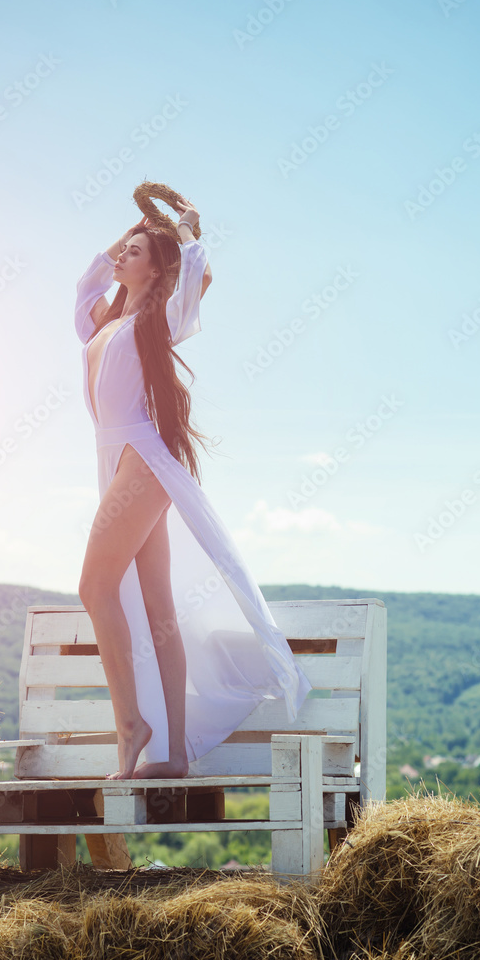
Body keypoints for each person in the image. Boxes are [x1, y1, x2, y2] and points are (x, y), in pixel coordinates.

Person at [75, 194, 312, 780]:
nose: (122, 256)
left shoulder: (155, 323)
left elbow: (197, 278)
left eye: (135, 252)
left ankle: (132, 726)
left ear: (156, 269)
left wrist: (180, 232)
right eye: (122, 250)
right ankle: (176, 754)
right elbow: (83, 288)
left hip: (141, 461)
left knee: (93, 586)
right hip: (115, 461)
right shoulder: (105, 324)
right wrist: (136, 232)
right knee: (158, 606)